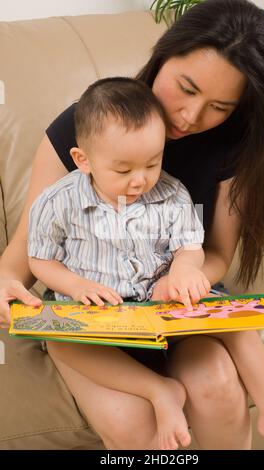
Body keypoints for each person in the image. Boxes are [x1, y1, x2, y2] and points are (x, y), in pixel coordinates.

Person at [0, 0, 264, 449]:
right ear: (164, 55)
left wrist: (182, 276)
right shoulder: (83, 129)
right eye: (186, 88)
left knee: (218, 387)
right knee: (134, 424)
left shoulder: (227, 149)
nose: (190, 116)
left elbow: (213, 252)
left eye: (219, 105)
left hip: (167, 302)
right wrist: (7, 283)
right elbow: (27, 253)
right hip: (95, 312)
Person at [28, 77, 211, 450]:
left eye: (152, 163)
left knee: (228, 328)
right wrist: (77, 286)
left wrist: (184, 269)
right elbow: (39, 260)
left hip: (151, 307)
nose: (140, 180)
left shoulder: (172, 194)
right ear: (83, 160)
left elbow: (190, 247)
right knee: (58, 339)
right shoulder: (58, 201)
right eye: (123, 170)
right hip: (91, 311)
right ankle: (160, 390)